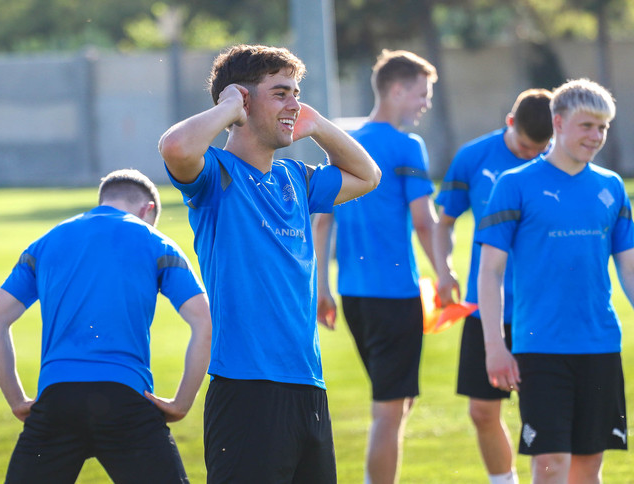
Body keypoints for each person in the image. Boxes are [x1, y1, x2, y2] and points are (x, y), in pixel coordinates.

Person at [158, 44, 381, 483]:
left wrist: (316, 124)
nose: (293, 104)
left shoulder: (294, 178)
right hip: (247, 390)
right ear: (241, 100)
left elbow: (367, 175)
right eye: (280, 93)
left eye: (296, 93)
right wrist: (227, 110)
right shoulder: (216, 174)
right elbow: (176, 146)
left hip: (308, 387)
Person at [0, 168, 212, 484]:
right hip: (127, 400)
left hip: (57, 400)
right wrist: (181, 403)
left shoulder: (46, 242)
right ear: (148, 210)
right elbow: (204, 320)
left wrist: (16, 400)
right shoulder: (155, 241)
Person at [477, 78, 632, 483]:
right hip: (540, 345)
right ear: (558, 122)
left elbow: (629, 268)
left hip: (600, 344)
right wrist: (495, 347)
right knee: (550, 464)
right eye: (587, 125)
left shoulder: (612, 187)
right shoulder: (514, 184)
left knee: (588, 466)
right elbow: (490, 271)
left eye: (603, 127)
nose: (596, 136)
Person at [313, 49, 438, 484]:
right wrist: (445, 274)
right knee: (389, 410)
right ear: (397, 90)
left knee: (397, 402)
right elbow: (424, 222)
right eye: (422, 94)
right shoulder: (408, 146)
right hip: (395, 295)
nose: (425, 103)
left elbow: (322, 221)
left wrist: (322, 288)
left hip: (354, 297)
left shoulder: (346, 144)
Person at [434, 88, 553, 484]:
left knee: (544, 415)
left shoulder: (559, 162)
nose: (530, 155)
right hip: (485, 305)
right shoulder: (473, 157)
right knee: (482, 412)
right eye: (524, 146)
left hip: (542, 311)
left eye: (540, 149)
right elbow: (444, 223)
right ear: (509, 123)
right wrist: (444, 270)